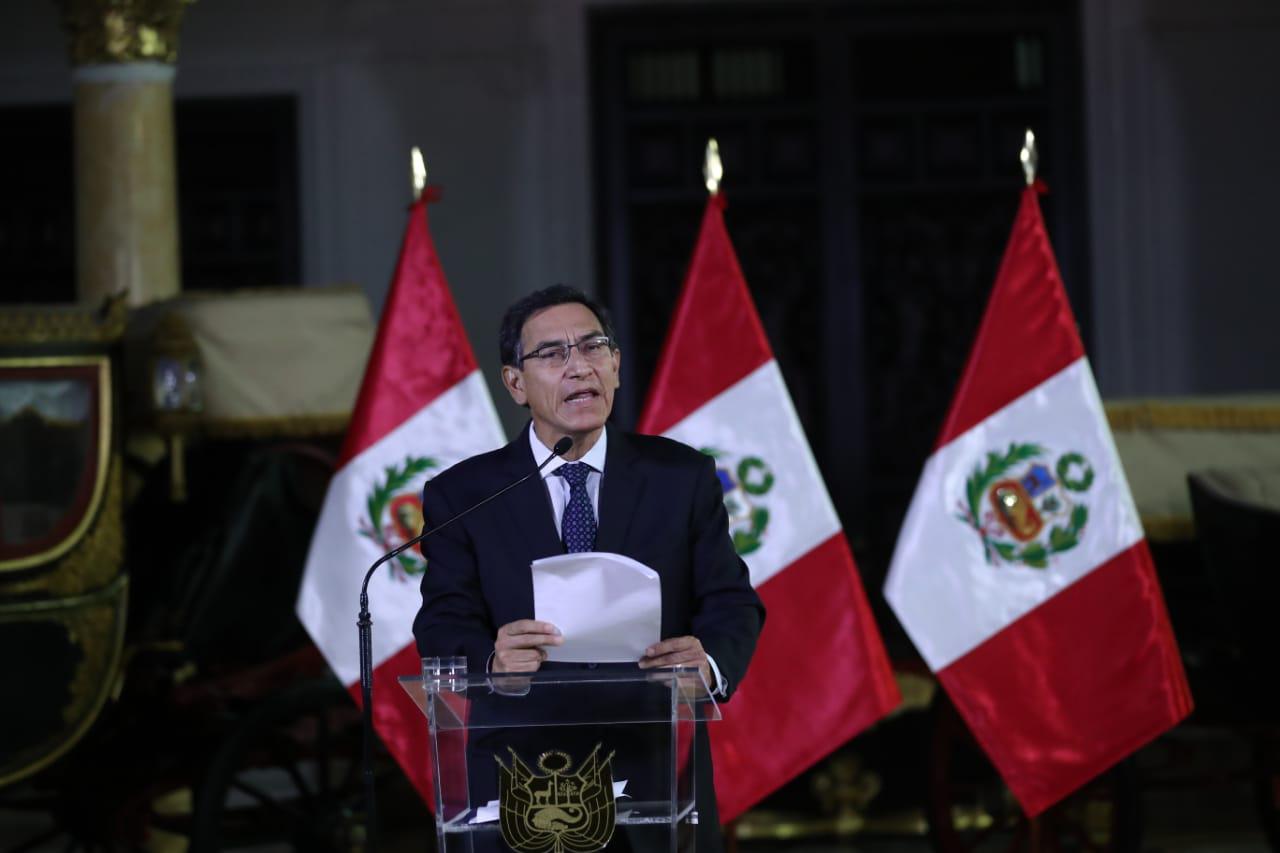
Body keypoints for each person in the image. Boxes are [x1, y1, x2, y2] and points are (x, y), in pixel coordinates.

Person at [413, 285, 764, 852]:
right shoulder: (464, 494)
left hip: (655, 770)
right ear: (515, 384)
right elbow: (440, 624)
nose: (578, 366)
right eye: (553, 354)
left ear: (617, 366)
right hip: (520, 777)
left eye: (594, 347)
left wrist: (710, 660)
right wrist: (492, 659)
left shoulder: (681, 477)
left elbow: (731, 602)